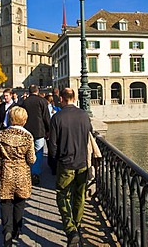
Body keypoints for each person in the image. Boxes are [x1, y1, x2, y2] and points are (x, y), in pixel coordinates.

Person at [48, 88, 92, 246]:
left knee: (63, 195)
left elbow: (52, 145)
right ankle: (77, 224)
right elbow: (89, 135)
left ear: (62, 99)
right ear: (74, 98)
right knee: (80, 195)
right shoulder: (84, 115)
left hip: (65, 163)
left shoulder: (57, 117)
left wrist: (55, 161)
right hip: (82, 162)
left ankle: (70, 228)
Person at [0, 106, 36, 246]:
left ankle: (7, 231)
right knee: (19, 202)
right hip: (22, 173)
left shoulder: (2, 135)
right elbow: (31, 159)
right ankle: (17, 229)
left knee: (6, 202)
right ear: (24, 119)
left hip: (7, 172)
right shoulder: (28, 136)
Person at [21, 84, 50, 185]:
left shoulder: (25, 102)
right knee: (38, 151)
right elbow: (46, 117)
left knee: (28, 151)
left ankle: (28, 170)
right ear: (37, 91)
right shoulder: (42, 101)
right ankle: (35, 173)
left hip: (27, 130)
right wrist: (48, 130)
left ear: (29, 92)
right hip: (39, 130)